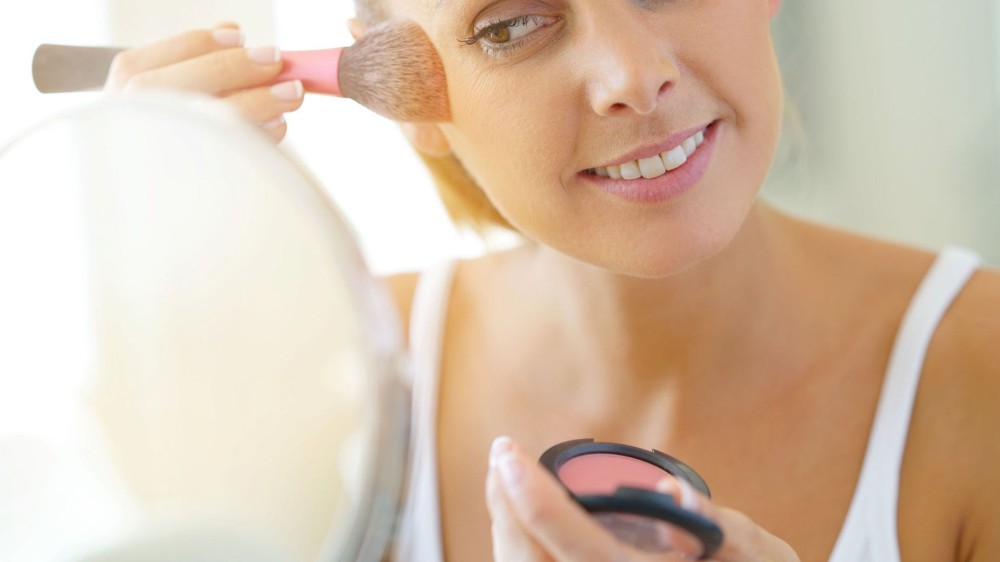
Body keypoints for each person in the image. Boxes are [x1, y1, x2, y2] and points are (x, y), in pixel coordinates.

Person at [103, 1, 1000, 560]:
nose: (632, 77)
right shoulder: (344, 390)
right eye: (512, 25)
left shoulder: (980, 374)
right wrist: (179, 230)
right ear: (406, 98)